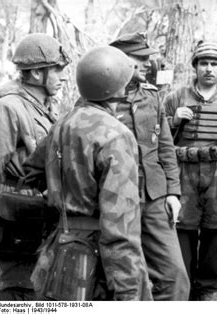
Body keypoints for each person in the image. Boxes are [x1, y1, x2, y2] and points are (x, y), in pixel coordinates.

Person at [23, 46, 153, 301]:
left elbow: (31, 172)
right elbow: (120, 228)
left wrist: (62, 196)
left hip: (58, 250)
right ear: (116, 87)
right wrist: (128, 293)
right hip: (96, 261)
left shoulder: (64, 123)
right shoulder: (116, 135)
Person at [163, 41, 217, 301]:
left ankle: (207, 290)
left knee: (214, 231)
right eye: (203, 63)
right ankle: (183, 286)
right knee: (183, 229)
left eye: (214, 64)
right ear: (195, 67)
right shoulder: (175, 97)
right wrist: (173, 121)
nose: (209, 69)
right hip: (183, 170)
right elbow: (158, 138)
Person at [109, 32, 190, 301]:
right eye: (140, 58)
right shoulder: (99, 97)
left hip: (156, 198)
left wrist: (173, 193)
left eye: (148, 58)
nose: (148, 64)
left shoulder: (152, 96)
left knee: (175, 277)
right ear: (120, 60)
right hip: (116, 199)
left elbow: (165, 147)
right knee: (126, 279)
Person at [0, 33, 70, 301]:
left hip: (40, 212)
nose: (62, 77)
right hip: (15, 214)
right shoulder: (7, 107)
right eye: (58, 70)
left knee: (40, 286)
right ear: (37, 73)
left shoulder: (48, 107)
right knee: (18, 288)